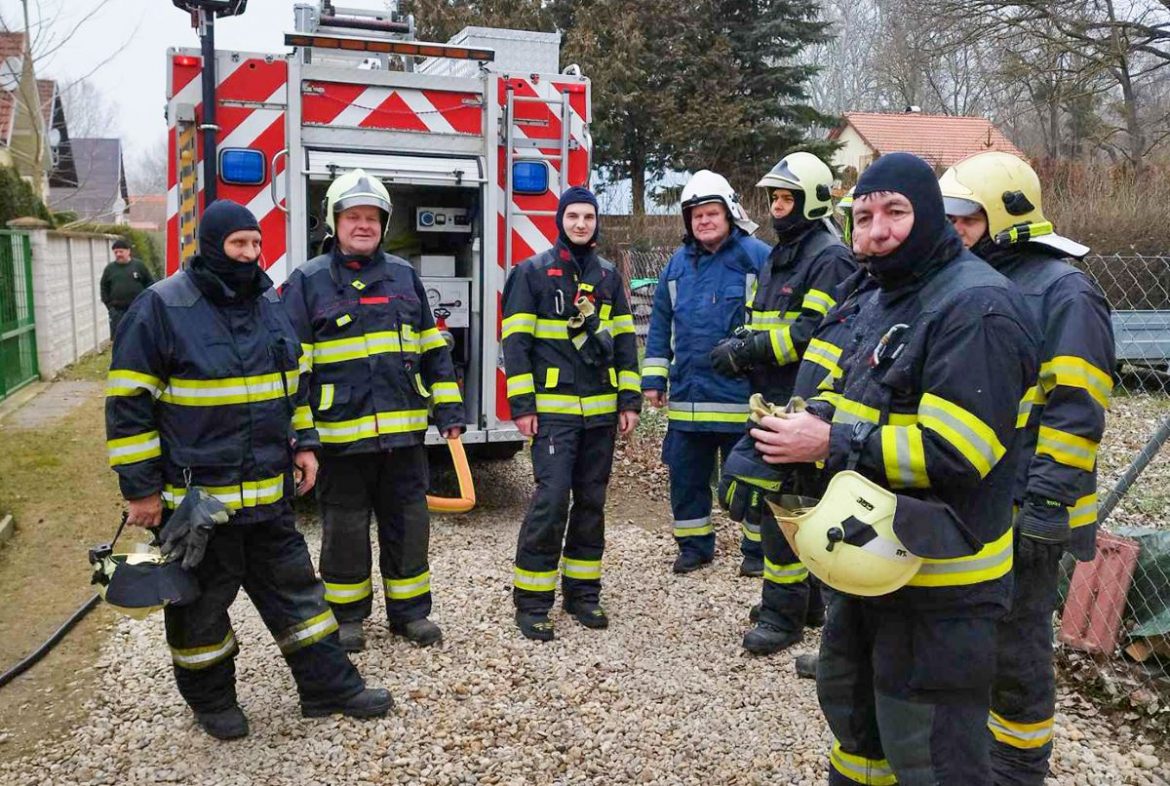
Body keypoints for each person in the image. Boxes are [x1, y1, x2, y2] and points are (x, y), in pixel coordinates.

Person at [751, 153, 1038, 785]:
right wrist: (785, 435)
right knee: (857, 719)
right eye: (863, 217)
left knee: (930, 748)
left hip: (942, 581)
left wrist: (829, 443)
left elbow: (960, 452)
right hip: (875, 562)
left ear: (931, 215)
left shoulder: (978, 307)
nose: (876, 231)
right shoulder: (888, 293)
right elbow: (858, 392)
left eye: (895, 213)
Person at [105, 199, 390, 740]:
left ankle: (330, 687)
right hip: (198, 503)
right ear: (212, 246)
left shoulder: (267, 303)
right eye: (239, 245)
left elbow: (294, 380)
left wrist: (305, 443)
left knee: (301, 598)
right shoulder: (160, 307)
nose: (250, 255)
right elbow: (128, 405)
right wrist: (140, 490)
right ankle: (212, 702)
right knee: (200, 612)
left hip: (266, 495)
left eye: (256, 245)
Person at [940, 152, 1114, 786]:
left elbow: (1076, 408)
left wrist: (1046, 502)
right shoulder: (967, 282)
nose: (949, 228)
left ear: (1005, 216)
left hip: (1030, 505)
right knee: (969, 629)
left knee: (1017, 643)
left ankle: (1018, 762)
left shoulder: (1062, 291)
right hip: (976, 498)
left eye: (963, 217)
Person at [282, 169, 464, 653]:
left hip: (404, 439)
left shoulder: (404, 277)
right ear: (334, 222)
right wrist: (303, 437)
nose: (363, 225)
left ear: (384, 223)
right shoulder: (308, 282)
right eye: (353, 216)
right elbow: (290, 369)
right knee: (343, 531)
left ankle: (410, 614)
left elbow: (432, 350)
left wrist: (448, 412)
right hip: (341, 439)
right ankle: (347, 618)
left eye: (372, 217)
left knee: (408, 526)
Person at [709, 152, 855, 654]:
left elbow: (811, 334)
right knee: (790, 504)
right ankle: (804, 603)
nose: (776, 206)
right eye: (773, 196)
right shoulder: (783, 253)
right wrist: (741, 343)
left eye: (786, 197)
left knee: (784, 509)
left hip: (809, 404)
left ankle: (781, 614)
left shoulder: (829, 257)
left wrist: (748, 350)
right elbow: (766, 321)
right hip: (776, 397)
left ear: (812, 201)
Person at [501, 186, 641, 641]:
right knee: (551, 499)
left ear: (596, 222)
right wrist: (522, 407)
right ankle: (532, 601)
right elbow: (516, 346)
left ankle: (583, 595)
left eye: (588, 217)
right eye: (573, 216)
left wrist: (629, 401)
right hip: (554, 415)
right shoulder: (533, 273)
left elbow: (624, 343)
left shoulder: (606, 277)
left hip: (600, 414)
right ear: (560, 221)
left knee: (592, 504)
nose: (581, 224)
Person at [641, 170, 771, 575]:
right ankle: (694, 546)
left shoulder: (757, 257)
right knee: (685, 478)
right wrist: (653, 379)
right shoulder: (678, 265)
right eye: (696, 215)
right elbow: (661, 323)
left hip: (740, 398)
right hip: (687, 399)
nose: (704, 221)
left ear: (730, 213)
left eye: (711, 213)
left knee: (752, 478)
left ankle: (757, 551)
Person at [100, 238, 154, 338]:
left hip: (137, 309)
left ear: (128, 251)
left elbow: (150, 284)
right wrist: (110, 307)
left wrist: (146, 303)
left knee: (138, 336)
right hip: (118, 311)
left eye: (121, 251)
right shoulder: (110, 269)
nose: (118, 254)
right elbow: (104, 288)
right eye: (116, 252)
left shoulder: (139, 266)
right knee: (119, 338)